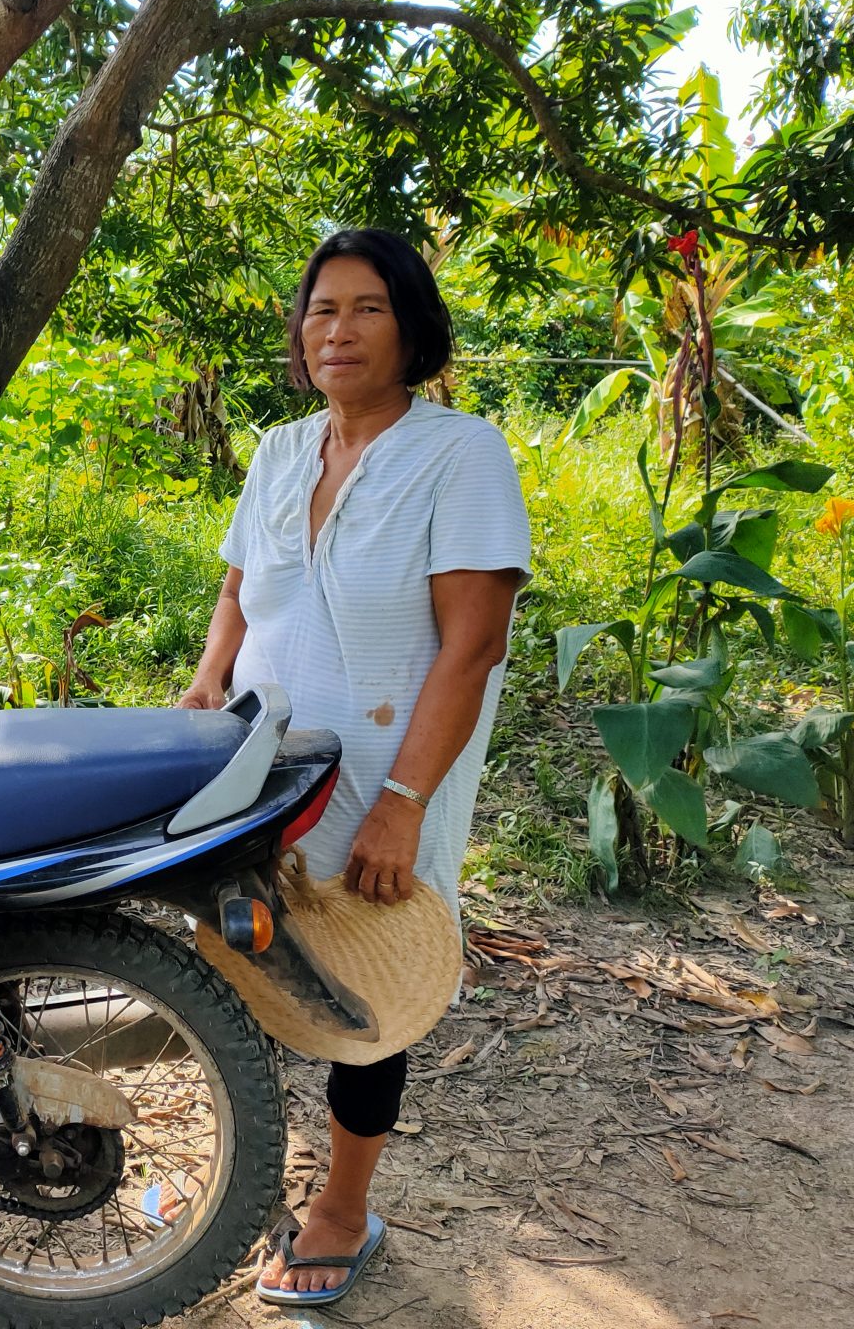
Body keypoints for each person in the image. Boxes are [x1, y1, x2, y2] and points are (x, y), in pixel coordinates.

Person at [176, 228, 530, 1306]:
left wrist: (402, 804)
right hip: (262, 758)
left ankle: (341, 1208)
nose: (337, 329)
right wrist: (202, 689)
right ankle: (243, 1173)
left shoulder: (458, 455)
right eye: (321, 309)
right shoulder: (281, 451)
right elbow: (239, 587)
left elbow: (470, 644)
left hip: (385, 766)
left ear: (410, 327)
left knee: (366, 985)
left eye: (367, 307)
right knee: (246, 957)